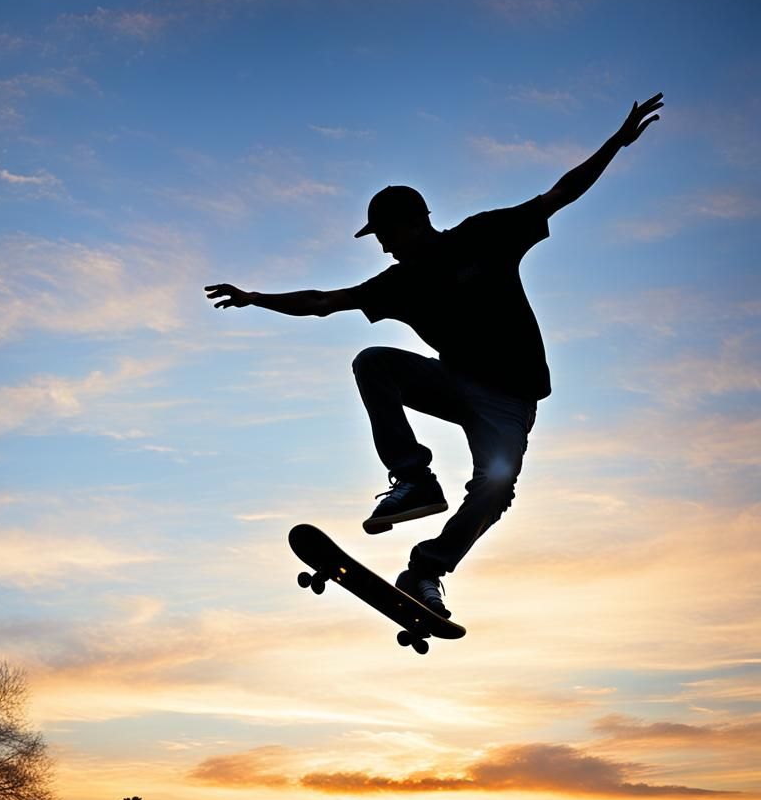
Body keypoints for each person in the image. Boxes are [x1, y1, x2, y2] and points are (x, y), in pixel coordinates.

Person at [206, 94, 663, 619]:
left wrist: (616, 143)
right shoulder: (397, 284)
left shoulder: (485, 236)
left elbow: (560, 193)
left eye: (384, 235)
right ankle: (414, 478)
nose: (382, 248)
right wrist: (256, 298)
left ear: (409, 222)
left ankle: (426, 570)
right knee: (373, 361)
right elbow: (323, 303)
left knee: (494, 491)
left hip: (511, 400)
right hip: (456, 382)